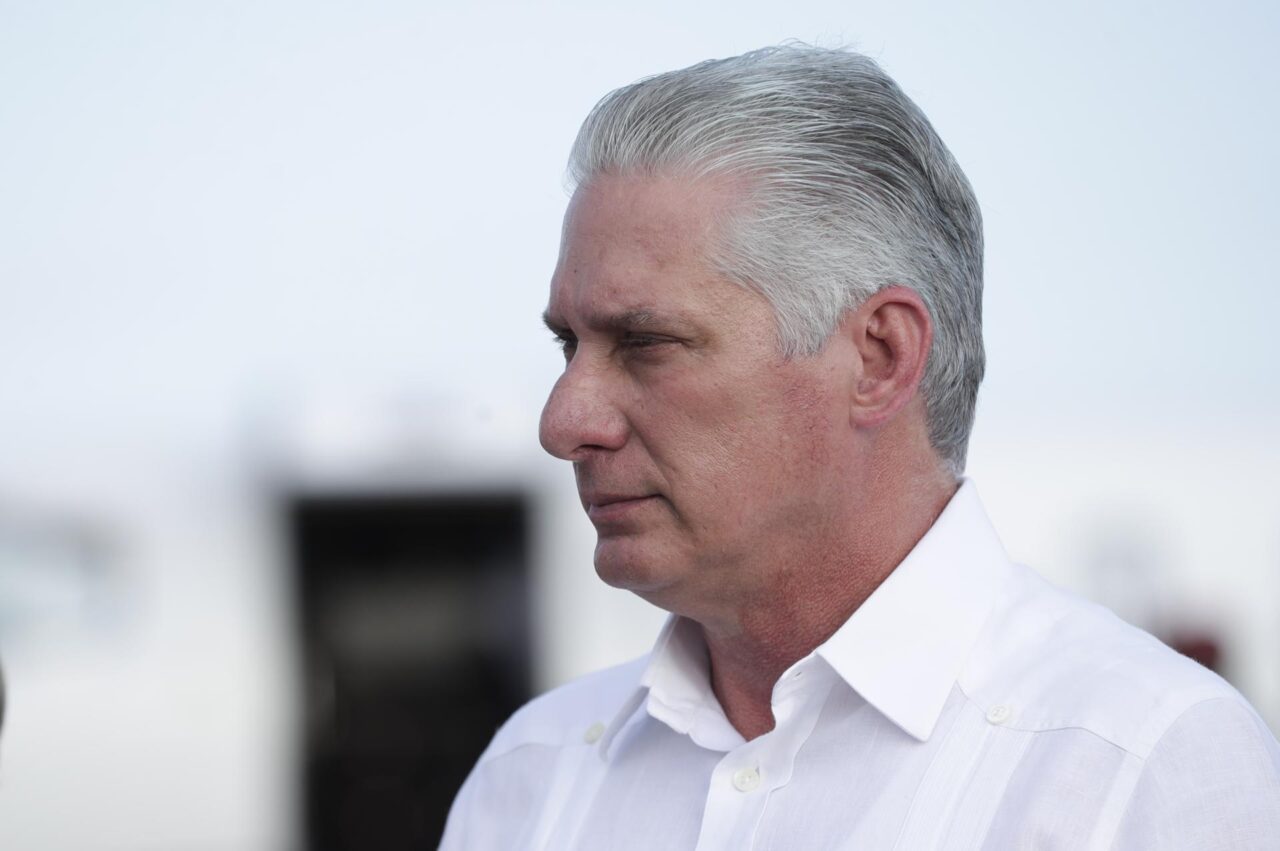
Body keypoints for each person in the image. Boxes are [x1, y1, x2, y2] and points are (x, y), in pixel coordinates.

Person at [441, 45, 1280, 849]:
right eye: (569, 345)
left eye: (646, 343)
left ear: (880, 357)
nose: (564, 421)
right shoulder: (531, 778)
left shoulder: (1137, 765)